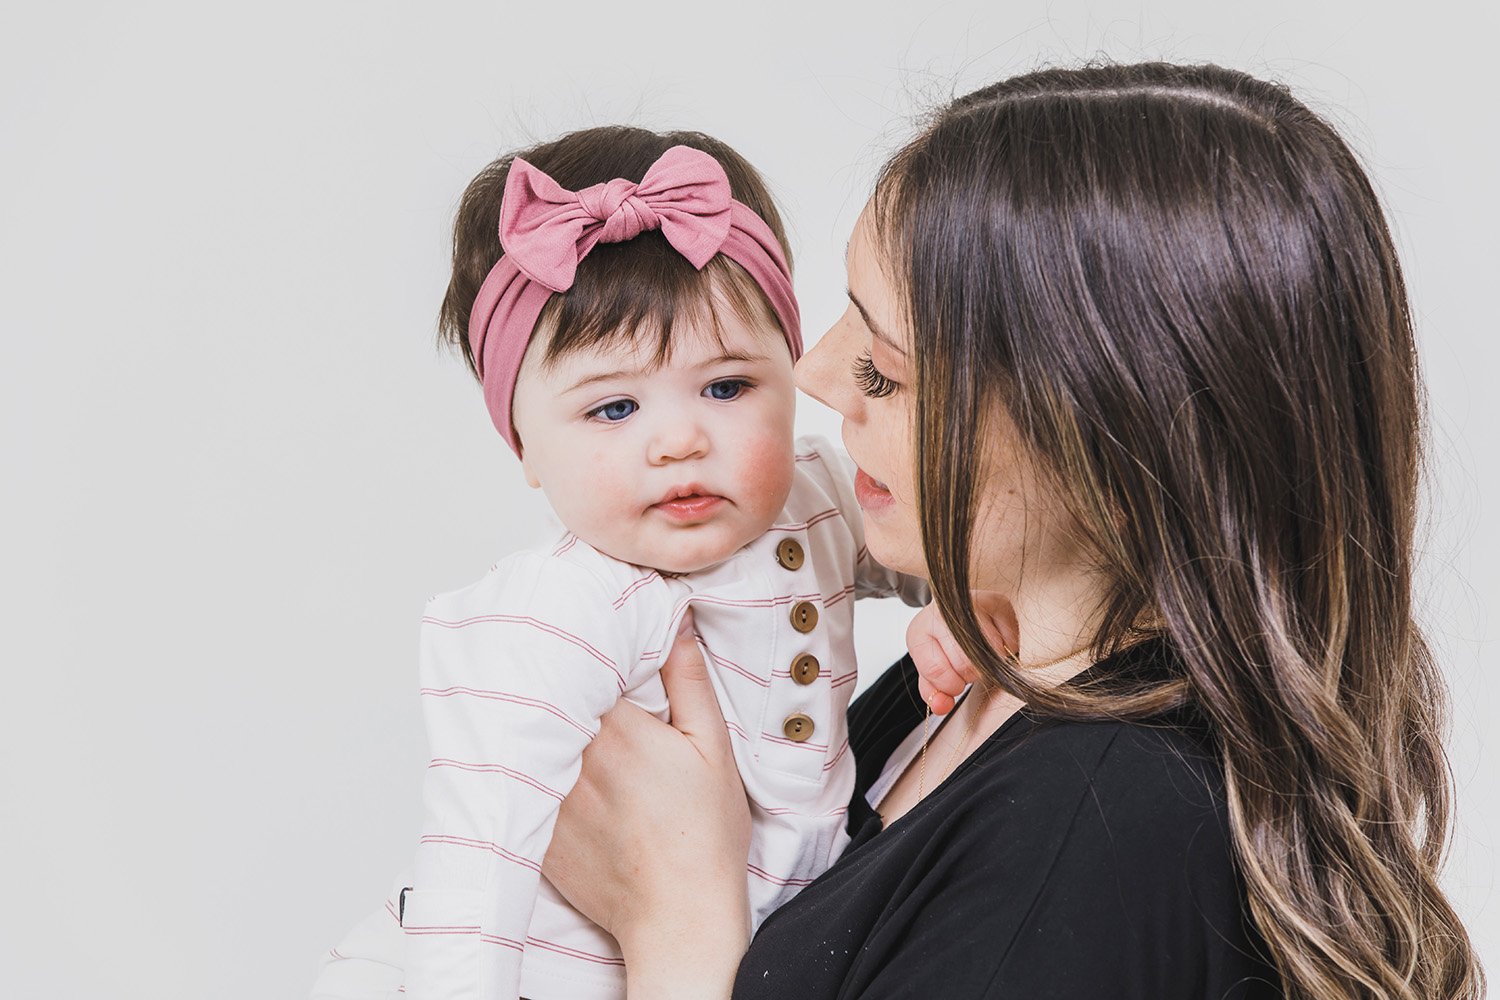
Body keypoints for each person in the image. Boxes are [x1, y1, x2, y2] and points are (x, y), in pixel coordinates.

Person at [538, 64, 1487, 999]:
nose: (817, 375)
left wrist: (676, 931)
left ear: (1106, 453)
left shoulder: (1094, 839)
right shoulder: (983, 671)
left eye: (886, 370)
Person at [309, 127, 936, 1000]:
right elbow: (475, 863)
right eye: (613, 408)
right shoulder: (558, 613)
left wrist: (961, 618)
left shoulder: (815, 501)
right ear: (525, 445)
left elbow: (963, 563)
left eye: (727, 388)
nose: (679, 440)